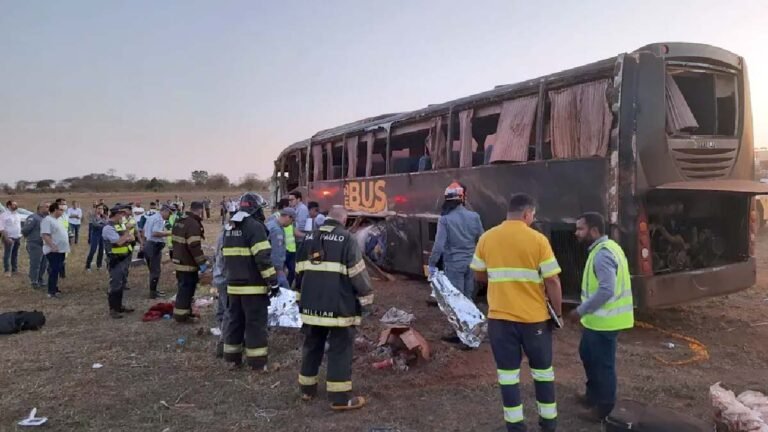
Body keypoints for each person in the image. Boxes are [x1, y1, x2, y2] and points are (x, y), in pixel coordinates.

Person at [471, 193, 563, 432]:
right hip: (535, 322)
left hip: (500, 321)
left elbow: (479, 274)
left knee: (508, 377)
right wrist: (558, 313)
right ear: (526, 214)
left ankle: (515, 426)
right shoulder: (538, 240)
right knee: (543, 373)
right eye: (532, 215)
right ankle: (549, 423)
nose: (533, 219)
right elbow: (552, 280)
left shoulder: (487, 238)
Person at [294, 205, 373, 411]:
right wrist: (367, 299)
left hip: (310, 307)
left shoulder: (308, 238)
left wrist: (299, 300)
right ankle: (339, 399)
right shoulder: (347, 239)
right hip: (338, 308)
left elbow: (299, 273)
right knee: (340, 350)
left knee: (312, 346)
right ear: (344, 220)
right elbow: (357, 273)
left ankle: (306, 390)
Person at [567, 212, 635, 423]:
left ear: (594, 230)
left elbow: (606, 290)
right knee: (587, 354)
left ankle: (604, 408)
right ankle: (593, 396)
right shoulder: (604, 249)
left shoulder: (603, 254)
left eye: (580, 229)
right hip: (597, 321)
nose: (576, 233)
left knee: (602, 364)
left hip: (605, 322)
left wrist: (580, 310)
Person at [222, 192, 279, 370]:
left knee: (234, 322)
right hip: (253, 287)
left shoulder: (230, 227)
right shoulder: (255, 227)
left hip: (233, 286)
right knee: (255, 324)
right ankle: (257, 363)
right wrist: (273, 281)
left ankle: (232, 359)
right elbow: (263, 258)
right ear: (256, 208)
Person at [428, 182, 484, 300]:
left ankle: (461, 319)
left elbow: (439, 246)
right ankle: (470, 318)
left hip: (454, 264)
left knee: (457, 300)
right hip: (472, 264)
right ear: (461, 199)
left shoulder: (445, 220)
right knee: (468, 298)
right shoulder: (474, 216)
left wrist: (432, 264)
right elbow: (482, 239)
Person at [171, 201, 208, 322]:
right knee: (186, 290)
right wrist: (202, 262)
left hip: (179, 259)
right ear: (200, 210)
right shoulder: (193, 224)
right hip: (188, 263)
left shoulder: (180, 220)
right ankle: (181, 316)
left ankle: (187, 312)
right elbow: (194, 246)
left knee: (183, 289)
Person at [102, 205, 136, 318]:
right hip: (115, 259)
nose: (124, 216)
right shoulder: (108, 228)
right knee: (115, 284)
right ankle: (113, 309)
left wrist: (127, 237)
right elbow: (119, 242)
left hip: (124, 257)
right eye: (122, 214)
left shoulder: (119, 225)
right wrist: (126, 233)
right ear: (116, 214)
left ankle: (119, 306)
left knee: (121, 283)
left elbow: (131, 238)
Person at [143, 204, 173, 299]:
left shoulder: (152, 217)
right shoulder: (159, 219)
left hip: (148, 244)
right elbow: (155, 233)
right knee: (155, 270)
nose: (169, 216)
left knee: (152, 269)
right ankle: (153, 293)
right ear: (165, 211)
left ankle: (154, 290)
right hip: (154, 246)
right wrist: (170, 233)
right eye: (169, 213)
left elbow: (144, 230)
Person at [41, 202, 70, 299]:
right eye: (61, 210)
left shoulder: (58, 220)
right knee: (54, 270)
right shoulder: (47, 220)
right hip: (53, 251)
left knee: (57, 269)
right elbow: (45, 235)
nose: (62, 212)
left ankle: (55, 288)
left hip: (61, 250)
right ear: (55, 210)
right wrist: (52, 246)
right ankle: (51, 291)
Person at [266, 207, 294, 290]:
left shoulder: (271, 224)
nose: (292, 223)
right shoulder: (276, 230)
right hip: (275, 268)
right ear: (288, 217)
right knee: (285, 291)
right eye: (292, 220)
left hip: (269, 266)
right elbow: (276, 251)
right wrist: (278, 268)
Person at [22, 202, 49, 288]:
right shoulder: (33, 217)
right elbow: (25, 230)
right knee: (35, 263)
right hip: (35, 244)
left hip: (45, 245)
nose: (49, 208)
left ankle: (40, 279)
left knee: (44, 264)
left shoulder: (47, 218)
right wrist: (33, 238)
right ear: (40, 208)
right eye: (47, 207)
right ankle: (34, 281)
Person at [212, 225, 229, 358]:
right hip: (225, 278)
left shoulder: (221, 235)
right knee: (230, 311)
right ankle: (223, 343)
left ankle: (221, 330)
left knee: (222, 308)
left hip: (219, 277)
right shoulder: (228, 238)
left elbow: (215, 257)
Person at [1, 200, 23, 277]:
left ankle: (15, 270)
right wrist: (7, 238)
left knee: (15, 254)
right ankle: (7, 271)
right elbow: (2, 228)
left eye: (16, 204)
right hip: (9, 238)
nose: (16, 206)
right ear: (9, 206)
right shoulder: (4, 215)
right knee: (8, 255)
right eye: (14, 204)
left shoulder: (17, 214)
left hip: (17, 237)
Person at [86, 205, 108, 272]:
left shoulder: (104, 216)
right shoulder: (93, 216)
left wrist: (101, 221)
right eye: (99, 208)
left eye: (102, 208)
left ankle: (99, 265)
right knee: (93, 250)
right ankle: (87, 266)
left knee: (101, 251)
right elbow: (95, 224)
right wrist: (102, 222)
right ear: (96, 209)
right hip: (95, 235)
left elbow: (107, 223)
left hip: (102, 235)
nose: (100, 210)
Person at [54, 198, 69, 278]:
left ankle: (62, 274)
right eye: (62, 204)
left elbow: (66, 227)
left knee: (63, 258)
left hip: (64, 240)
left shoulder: (65, 215)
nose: (64, 206)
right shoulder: (53, 215)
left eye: (65, 204)